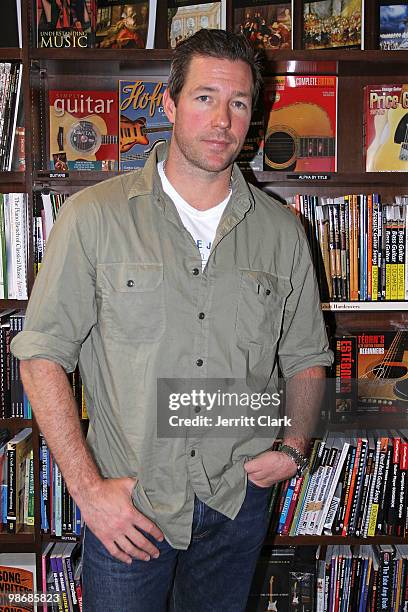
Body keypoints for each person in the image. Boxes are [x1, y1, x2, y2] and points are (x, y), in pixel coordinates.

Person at [11, 29, 332, 611]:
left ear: (252, 117)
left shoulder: (282, 231)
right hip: (131, 509)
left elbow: (307, 357)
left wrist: (294, 447)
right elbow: (40, 355)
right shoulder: (93, 217)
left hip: (237, 501)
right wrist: (87, 492)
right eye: (205, 97)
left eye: (238, 103)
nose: (222, 120)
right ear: (169, 104)